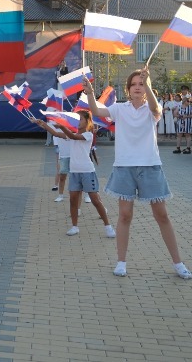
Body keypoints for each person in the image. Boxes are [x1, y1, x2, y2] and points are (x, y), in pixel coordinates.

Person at [84, 71, 191, 279]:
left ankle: (178, 263)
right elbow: (96, 111)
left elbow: (155, 108)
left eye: (141, 84)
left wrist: (148, 83)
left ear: (147, 87)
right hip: (124, 167)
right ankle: (121, 262)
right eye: (134, 84)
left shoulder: (152, 108)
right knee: (125, 215)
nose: (137, 87)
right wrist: (89, 93)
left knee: (162, 215)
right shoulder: (119, 108)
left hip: (150, 166)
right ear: (128, 88)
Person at [33, 112, 115, 238]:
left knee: (95, 200)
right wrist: (43, 124)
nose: (78, 121)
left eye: (80, 119)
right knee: (73, 200)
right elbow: (55, 134)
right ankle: (74, 227)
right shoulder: (72, 134)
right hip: (74, 172)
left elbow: (73, 136)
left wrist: (62, 127)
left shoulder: (88, 135)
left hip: (87, 171)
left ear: (87, 121)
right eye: (77, 119)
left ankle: (108, 226)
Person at [33, 119, 71, 201]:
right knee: (62, 176)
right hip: (63, 155)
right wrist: (38, 122)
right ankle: (60, 195)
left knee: (77, 178)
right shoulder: (57, 125)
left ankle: (86, 195)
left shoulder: (73, 128)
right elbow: (51, 130)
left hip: (75, 157)